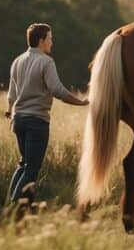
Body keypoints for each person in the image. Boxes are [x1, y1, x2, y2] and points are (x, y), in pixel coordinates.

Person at [5, 23, 88, 205]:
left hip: (18, 119)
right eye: (50, 38)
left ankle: (20, 207)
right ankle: (15, 206)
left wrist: (9, 110)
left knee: (23, 164)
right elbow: (57, 90)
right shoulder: (46, 62)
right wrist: (81, 102)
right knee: (32, 168)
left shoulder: (17, 61)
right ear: (41, 40)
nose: (52, 42)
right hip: (36, 121)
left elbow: (11, 93)